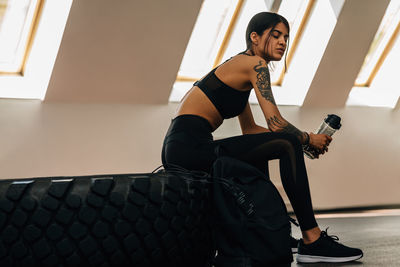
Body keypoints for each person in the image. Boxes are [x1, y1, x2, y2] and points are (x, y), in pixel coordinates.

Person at [161, 12, 363, 264]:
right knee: (285, 142)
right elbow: (276, 123)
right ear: (254, 37)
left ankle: (268, 229)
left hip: (180, 146)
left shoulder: (240, 68)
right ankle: (312, 239)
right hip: (189, 147)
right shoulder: (255, 64)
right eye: (275, 35)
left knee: (270, 145)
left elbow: (251, 131)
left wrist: (295, 142)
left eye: (286, 38)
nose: (282, 42)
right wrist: (306, 139)